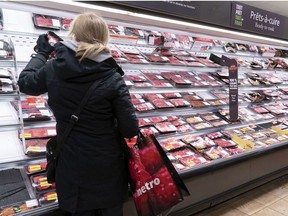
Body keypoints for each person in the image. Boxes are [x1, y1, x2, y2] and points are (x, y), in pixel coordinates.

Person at [18, 12, 139, 216]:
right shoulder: (112, 76)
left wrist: (41, 53)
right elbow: (130, 128)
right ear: (103, 37)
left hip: (72, 163)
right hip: (107, 166)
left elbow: (25, 83)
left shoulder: (53, 68)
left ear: (73, 33)